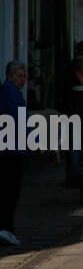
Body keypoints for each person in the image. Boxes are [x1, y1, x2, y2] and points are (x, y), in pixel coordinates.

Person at [0, 62, 30, 243]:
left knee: (6, 191)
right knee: (10, 192)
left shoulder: (7, 93)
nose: (22, 80)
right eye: (19, 76)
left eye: (24, 77)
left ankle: (5, 228)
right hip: (12, 151)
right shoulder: (12, 95)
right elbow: (22, 124)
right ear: (10, 77)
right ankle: (6, 229)